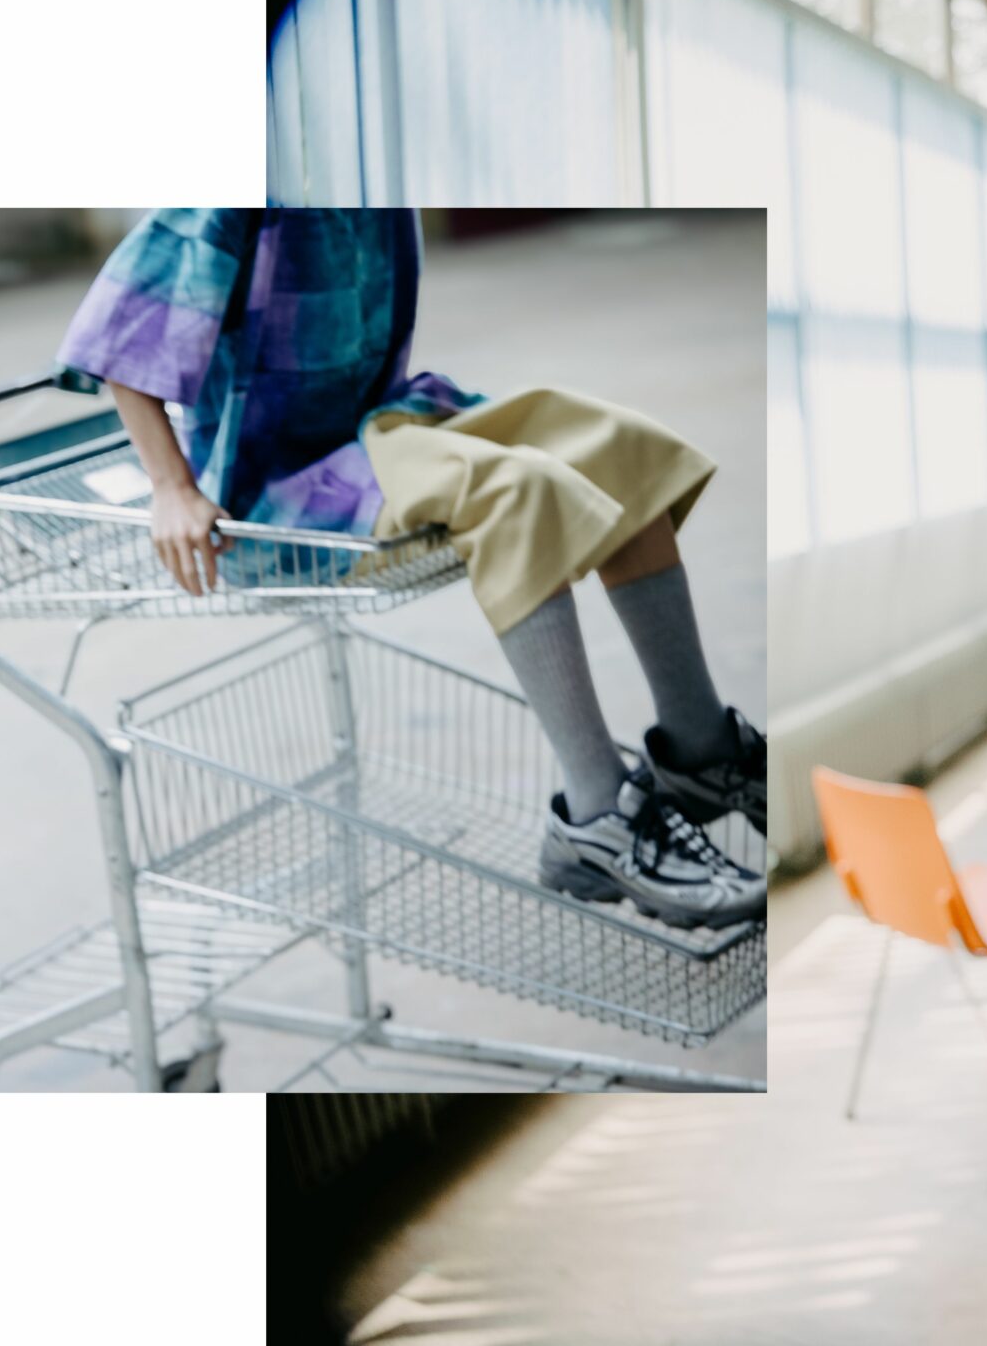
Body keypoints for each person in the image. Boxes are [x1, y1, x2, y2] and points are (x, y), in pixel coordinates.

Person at [55, 207, 766, 930]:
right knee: (515, 491)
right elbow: (122, 327)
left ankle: (702, 747)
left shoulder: (376, 171)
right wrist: (171, 486)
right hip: (277, 491)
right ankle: (595, 816)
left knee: (617, 447)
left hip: (384, 428)